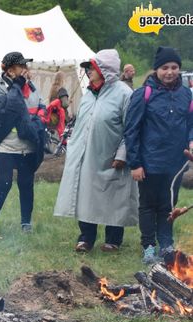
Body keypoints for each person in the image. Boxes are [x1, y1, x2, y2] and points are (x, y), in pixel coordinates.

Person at [54, 49, 138, 252]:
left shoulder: (125, 94)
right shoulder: (88, 95)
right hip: (87, 155)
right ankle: (86, 238)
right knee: (86, 196)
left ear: (104, 69)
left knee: (115, 197)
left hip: (111, 156)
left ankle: (113, 240)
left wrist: (122, 154)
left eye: (92, 67)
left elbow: (132, 128)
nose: (89, 71)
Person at [125, 46, 193, 263]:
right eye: (165, 67)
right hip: (148, 161)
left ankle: (166, 245)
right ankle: (148, 247)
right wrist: (135, 163)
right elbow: (131, 129)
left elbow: (190, 123)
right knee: (148, 205)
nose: (170, 72)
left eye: (174, 67)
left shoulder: (186, 95)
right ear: (156, 70)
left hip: (175, 163)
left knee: (168, 204)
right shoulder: (143, 94)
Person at [0, 52, 44, 238]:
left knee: (26, 184)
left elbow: (41, 108)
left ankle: (26, 224)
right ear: (10, 71)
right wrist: (18, 86)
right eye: (22, 67)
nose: (26, 70)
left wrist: (39, 121)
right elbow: (9, 110)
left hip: (28, 146)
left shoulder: (32, 88)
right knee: (4, 183)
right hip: (6, 146)